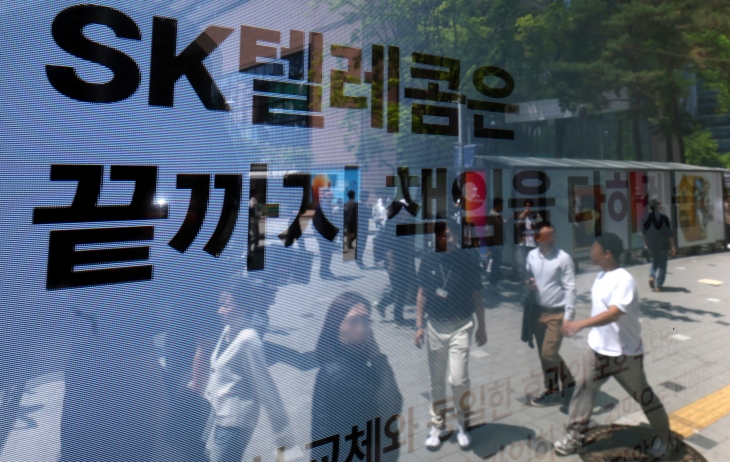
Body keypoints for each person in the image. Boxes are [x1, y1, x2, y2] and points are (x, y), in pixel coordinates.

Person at [554, 233, 671, 458]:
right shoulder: (601, 275)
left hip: (623, 354)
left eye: (595, 246)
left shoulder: (623, 279)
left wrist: (581, 324)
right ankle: (574, 436)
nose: (591, 249)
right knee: (584, 390)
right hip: (596, 350)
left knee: (643, 395)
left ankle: (665, 437)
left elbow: (614, 313)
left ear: (607, 253)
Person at [415, 220, 487, 450]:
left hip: (461, 326)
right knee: (436, 380)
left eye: (453, 234)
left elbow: (477, 295)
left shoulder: (469, 259)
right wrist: (419, 326)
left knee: (458, 379)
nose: (451, 239)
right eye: (445, 235)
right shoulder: (428, 259)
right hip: (435, 327)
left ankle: (463, 423)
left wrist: (482, 327)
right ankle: (437, 425)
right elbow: (422, 293)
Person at [311, 292, 403, 461]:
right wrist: (377, 355)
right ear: (336, 326)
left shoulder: (338, 364)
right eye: (353, 322)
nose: (361, 330)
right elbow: (392, 404)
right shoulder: (344, 376)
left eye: (366, 321)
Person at [205, 285, 291, 462]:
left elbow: (266, 387)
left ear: (243, 307)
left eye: (227, 306)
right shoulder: (227, 330)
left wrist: (283, 433)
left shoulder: (248, 340)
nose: (220, 311)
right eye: (220, 305)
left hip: (235, 422)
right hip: (218, 415)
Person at [524, 222, 576, 408]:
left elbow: (570, 288)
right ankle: (552, 391)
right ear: (537, 238)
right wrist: (529, 282)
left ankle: (570, 384)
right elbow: (528, 275)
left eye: (553, 234)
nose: (551, 239)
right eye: (546, 235)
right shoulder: (531, 256)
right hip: (538, 312)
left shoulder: (563, 258)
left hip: (557, 314)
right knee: (543, 355)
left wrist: (568, 317)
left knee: (549, 353)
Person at [373, 220, 418, 326]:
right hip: (396, 265)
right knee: (401, 291)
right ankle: (397, 319)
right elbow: (389, 249)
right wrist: (392, 264)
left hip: (402, 264)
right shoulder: (393, 227)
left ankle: (382, 304)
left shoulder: (401, 226)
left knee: (399, 289)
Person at [642, 199, 676, 292]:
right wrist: (672, 246)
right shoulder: (664, 218)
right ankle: (659, 285)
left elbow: (644, 233)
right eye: (659, 204)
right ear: (657, 206)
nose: (661, 206)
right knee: (662, 265)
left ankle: (652, 276)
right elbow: (669, 234)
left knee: (654, 262)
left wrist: (646, 243)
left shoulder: (645, 218)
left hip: (651, 245)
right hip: (663, 245)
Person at [513, 199, 542, 281]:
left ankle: (534, 277)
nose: (527, 207)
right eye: (526, 205)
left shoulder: (536, 215)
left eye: (529, 205)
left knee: (534, 260)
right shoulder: (522, 215)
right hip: (524, 241)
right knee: (524, 261)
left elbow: (541, 226)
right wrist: (524, 216)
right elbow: (518, 226)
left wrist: (535, 226)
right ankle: (526, 279)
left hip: (534, 241)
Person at [487, 198, 506, 290]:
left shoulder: (498, 215)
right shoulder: (492, 215)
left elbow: (502, 225)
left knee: (497, 263)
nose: (503, 207)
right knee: (495, 264)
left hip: (499, 243)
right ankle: (493, 283)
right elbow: (488, 230)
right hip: (495, 244)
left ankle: (496, 281)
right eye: (501, 205)